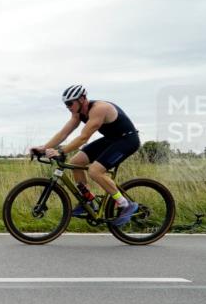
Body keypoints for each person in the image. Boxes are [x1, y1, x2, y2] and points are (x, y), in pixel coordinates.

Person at [30, 85, 140, 226]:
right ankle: (88, 200)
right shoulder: (77, 113)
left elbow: (83, 138)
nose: (68, 107)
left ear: (82, 99)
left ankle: (125, 204)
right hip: (111, 139)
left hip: (127, 140)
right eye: (65, 104)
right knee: (76, 162)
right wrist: (44, 148)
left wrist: (61, 151)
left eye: (70, 103)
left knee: (95, 171)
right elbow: (64, 133)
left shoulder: (99, 109)